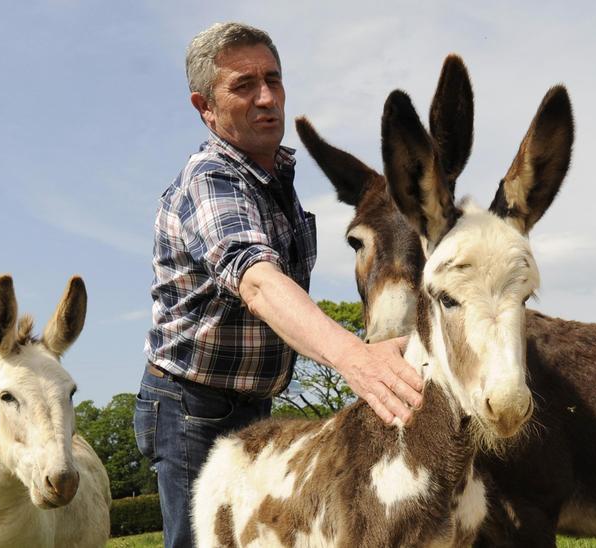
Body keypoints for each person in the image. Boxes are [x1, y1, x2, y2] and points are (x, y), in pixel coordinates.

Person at [133, 22, 425, 548]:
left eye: (273, 79)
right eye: (243, 86)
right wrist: (356, 358)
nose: (266, 97)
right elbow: (258, 281)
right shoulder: (211, 180)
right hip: (189, 407)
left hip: (255, 402)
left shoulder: (275, 182)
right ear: (206, 107)